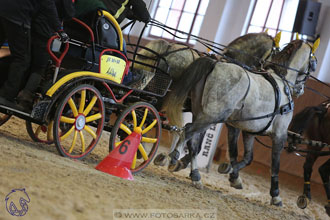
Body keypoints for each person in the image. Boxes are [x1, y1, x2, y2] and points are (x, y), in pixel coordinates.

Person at [0, 0, 68, 109]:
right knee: (22, 59)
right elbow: (48, 4)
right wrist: (59, 29)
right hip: (19, 16)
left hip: (4, 8)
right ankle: (6, 96)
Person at [17, 0, 75, 111]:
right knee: (39, 67)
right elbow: (69, 13)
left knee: (24, 58)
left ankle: (13, 91)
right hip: (45, 29)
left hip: (30, 22)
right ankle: (25, 98)